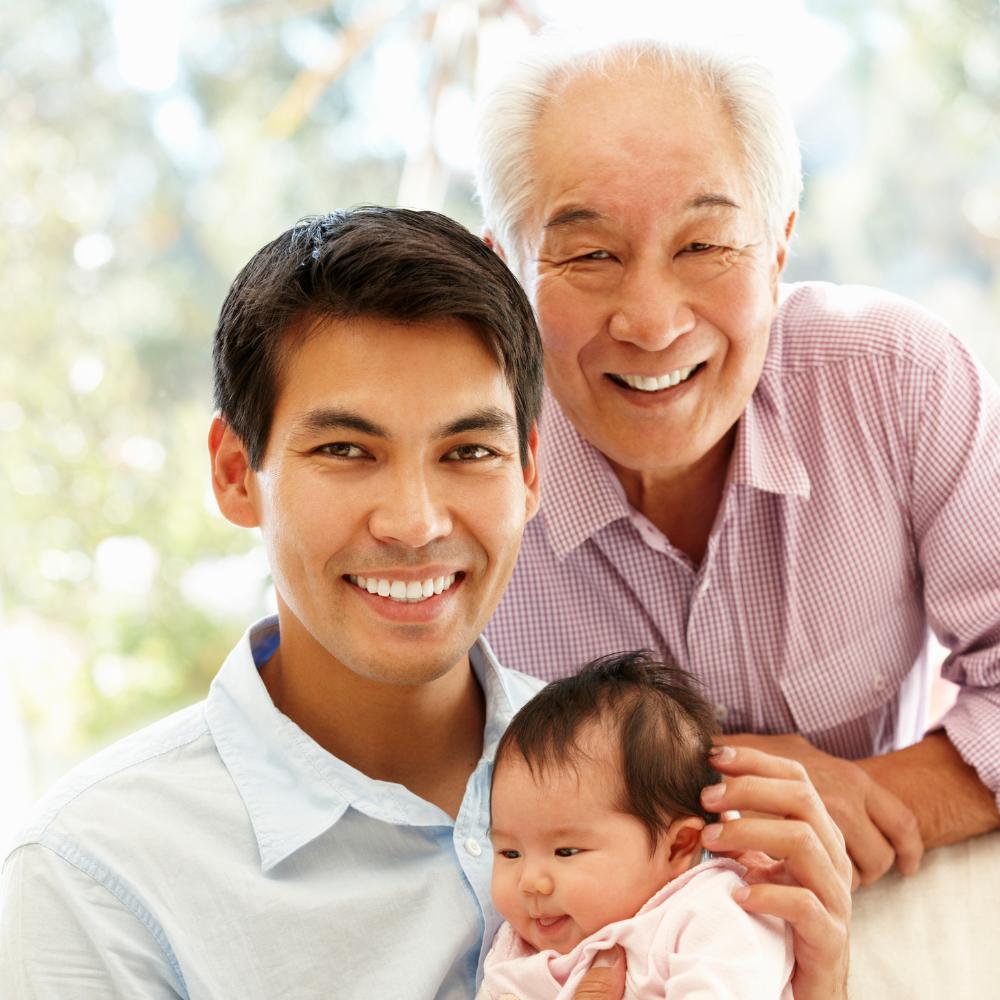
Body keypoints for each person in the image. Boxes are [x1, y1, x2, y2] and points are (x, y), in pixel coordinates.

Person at [0, 207, 849, 1000]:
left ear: (529, 475)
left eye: (468, 450)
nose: (414, 522)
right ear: (234, 473)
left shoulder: (659, 787)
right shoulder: (92, 874)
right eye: (346, 449)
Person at [476, 38, 1000, 889]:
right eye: (590, 254)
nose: (651, 322)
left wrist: (862, 798)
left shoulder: (896, 380)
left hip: (872, 920)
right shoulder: (462, 479)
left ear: (779, 248)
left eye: (704, 246)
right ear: (507, 272)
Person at [479, 652, 794, 999]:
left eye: (565, 851)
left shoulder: (707, 913)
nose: (530, 883)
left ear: (678, 847)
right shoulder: (515, 951)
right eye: (510, 853)